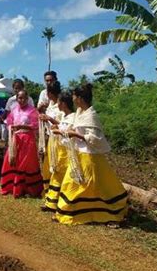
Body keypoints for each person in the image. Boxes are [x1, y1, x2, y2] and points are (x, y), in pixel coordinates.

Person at [52, 84, 128, 224]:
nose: (73, 99)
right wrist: (63, 130)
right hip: (78, 155)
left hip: (89, 156)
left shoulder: (91, 116)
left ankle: (81, 212)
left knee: (86, 185)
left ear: (80, 98)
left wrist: (75, 134)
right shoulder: (80, 113)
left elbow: (95, 138)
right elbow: (72, 127)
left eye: (74, 96)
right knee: (71, 183)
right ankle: (67, 210)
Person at [0, 90, 43, 197]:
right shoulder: (14, 110)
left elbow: (35, 126)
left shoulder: (32, 111)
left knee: (26, 164)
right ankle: (11, 186)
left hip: (28, 139)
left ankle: (28, 188)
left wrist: (22, 127)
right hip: (16, 139)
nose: (22, 100)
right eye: (19, 98)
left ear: (27, 98)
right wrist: (12, 129)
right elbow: (9, 122)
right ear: (17, 99)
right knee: (11, 160)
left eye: (24, 98)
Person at [42, 91, 74, 212]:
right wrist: (57, 127)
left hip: (68, 151)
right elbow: (61, 126)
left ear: (64, 104)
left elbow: (70, 131)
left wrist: (58, 129)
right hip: (59, 149)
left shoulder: (73, 117)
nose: (58, 104)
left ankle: (60, 203)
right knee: (56, 173)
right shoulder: (64, 116)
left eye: (59, 102)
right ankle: (51, 202)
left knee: (63, 176)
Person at [39, 81, 64, 193]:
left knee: (56, 165)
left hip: (59, 140)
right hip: (50, 137)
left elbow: (64, 123)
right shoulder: (50, 104)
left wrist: (49, 118)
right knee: (48, 164)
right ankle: (49, 190)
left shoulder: (61, 105)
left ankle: (57, 190)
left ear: (50, 93)